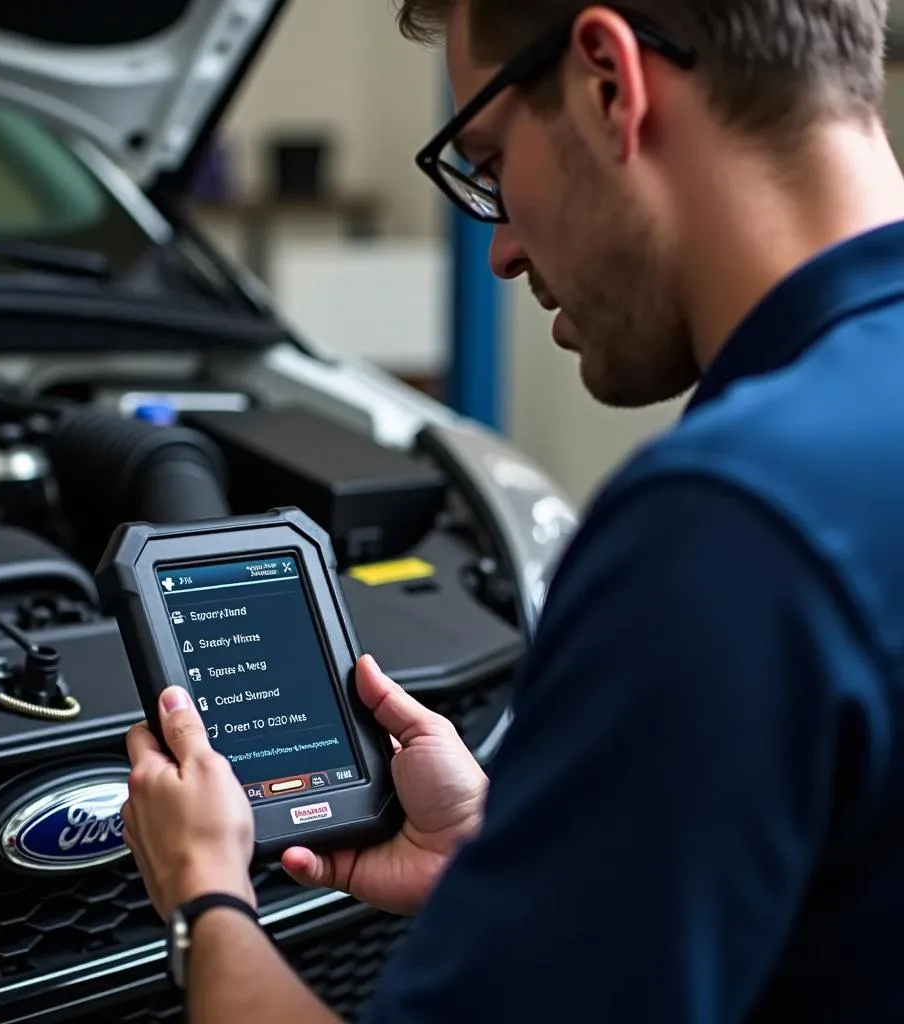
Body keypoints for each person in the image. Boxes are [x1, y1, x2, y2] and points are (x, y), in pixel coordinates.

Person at [120, 0, 904, 1019]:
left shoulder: (730, 525)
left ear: (607, 82)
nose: (499, 252)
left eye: (486, 161)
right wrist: (526, 855)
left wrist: (204, 895)